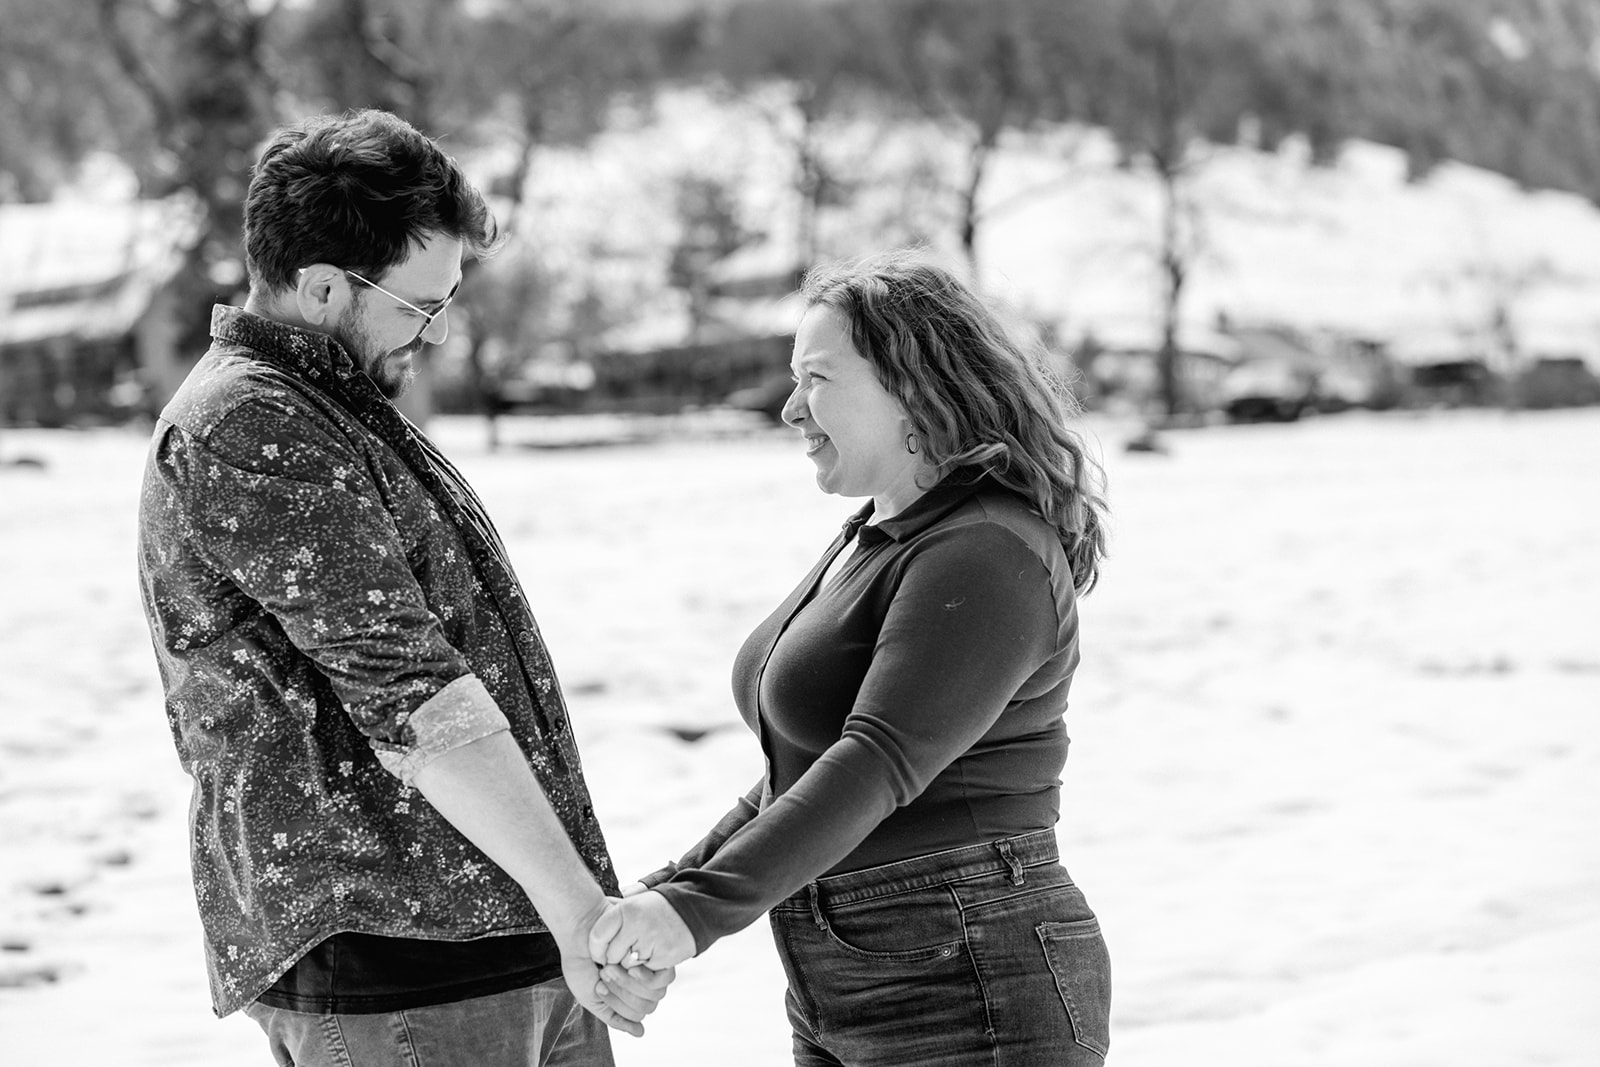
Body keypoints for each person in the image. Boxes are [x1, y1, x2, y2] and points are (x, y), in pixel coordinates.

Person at [136, 109, 669, 1067]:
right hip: (399, 967)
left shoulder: (336, 406)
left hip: (504, 940)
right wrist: (579, 907)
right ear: (325, 285)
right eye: (422, 306)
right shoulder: (248, 424)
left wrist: (568, 912)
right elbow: (413, 692)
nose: (442, 333)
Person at [590, 253, 1114, 1065]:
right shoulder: (880, 533)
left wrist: (690, 914)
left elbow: (874, 763)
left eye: (819, 378)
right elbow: (796, 778)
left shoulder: (985, 549)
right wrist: (662, 896)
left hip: (970, 981)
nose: (791, 407)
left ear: (915, 384)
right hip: (844, 977)